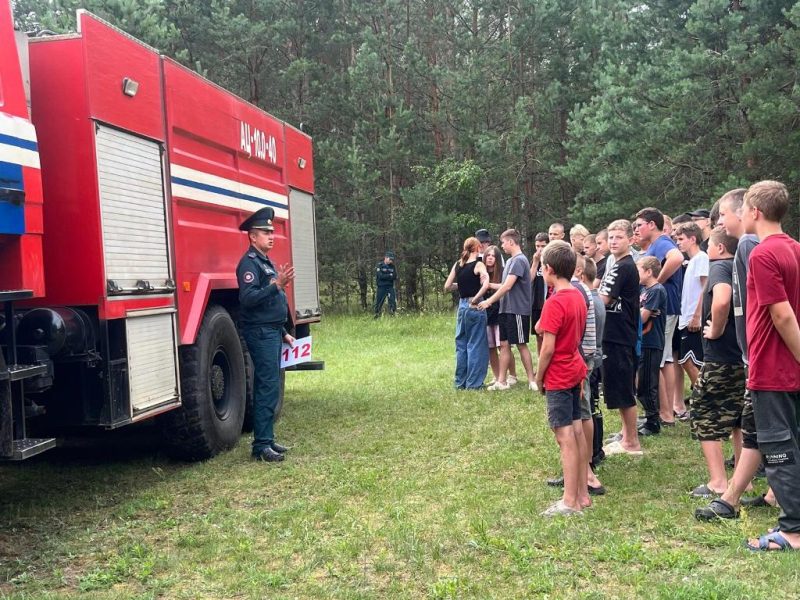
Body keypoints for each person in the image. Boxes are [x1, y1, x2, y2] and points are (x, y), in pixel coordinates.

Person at [696, 189, 778, 521]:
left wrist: (717, 331)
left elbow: (778, 312)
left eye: (724, 216)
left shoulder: (749, 247)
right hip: (754, 358)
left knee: (764, 427)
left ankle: (728, 495)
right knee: (756, 426)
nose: (720, 222)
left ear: (749, 212)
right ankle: (748, 495)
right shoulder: (759, 249)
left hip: (763, 359)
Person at [739, 181, 800, 552]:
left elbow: (782, 315)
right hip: (787, 368)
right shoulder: (795, 248)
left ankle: (792, 531)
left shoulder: (763, 255)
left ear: (756, 212)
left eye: (744, 208)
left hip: (775, 368)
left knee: (779, 450)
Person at [688, 229, 745, 498]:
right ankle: (740, 479)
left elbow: (721, 299)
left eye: (709, 244)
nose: (706, 248)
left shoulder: (720, 266)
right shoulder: (741, 264)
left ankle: (718, 482)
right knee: (738, 417)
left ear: (720, 247)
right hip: (741, 355)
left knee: (704, 412)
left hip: (721, 356)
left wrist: (716, 330)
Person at [236, 207, 296, 463]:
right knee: (266, 386)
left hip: (271, 332)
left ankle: (267, 439)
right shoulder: (249, 264)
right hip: (260, 334)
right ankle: (261, 446)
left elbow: (269, 307)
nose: (271, 236)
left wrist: (283, 332)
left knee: (270, 387)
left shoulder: (265, 261)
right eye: (265, 232)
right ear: (252, 236)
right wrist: (277, 286)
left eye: (272, 232)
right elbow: (248, 299)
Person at [534, 241, 589, 516]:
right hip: (576, 370)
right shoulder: (578, 295)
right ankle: (582, 493)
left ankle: (569, 501)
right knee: (576, 431)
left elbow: (548, 347)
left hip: (559, 372)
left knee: (564, 436)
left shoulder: (555, 302)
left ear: (549, 269)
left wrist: (538, 376)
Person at [634, 207, 684, 427]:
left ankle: (665, 414)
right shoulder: (653, 245)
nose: (636, 229)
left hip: (665, 307)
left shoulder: (662, 241)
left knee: (661, 360)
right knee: (664, 359)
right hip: (664, 306)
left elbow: (677, 257)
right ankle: (665, 410)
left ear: (652, 225)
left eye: (639, 225)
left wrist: (657, 282)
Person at [599, 220, 642, 456]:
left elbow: (604, 299)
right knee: (616, 386)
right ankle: (626, 436)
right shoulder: (613, 263)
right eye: (611, 237)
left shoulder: (624, 266)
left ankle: (632, 442)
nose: (614, 242)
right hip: (613, 332)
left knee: (623, 389)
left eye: (619, 237)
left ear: (630, 240)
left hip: (620, 333)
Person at [477, 229, 537, 390]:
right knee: (504, 344)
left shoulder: (519, 260)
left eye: (503, 242)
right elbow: (503, 285)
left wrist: (489, 301)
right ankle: (501, 381)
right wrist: (488, 285)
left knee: (521, 344)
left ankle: (532, 380)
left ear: (511, 242)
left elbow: (508, 286)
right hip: (505, 309)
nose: (502, 246)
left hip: (517, 310)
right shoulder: (510, 261)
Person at [445, 237, 490, 389]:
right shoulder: (478, 264)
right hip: (474, 307)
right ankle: (474, 384)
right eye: (480, 246)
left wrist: (462, 285)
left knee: (462, 345)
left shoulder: (458, 264)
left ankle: (460, 382)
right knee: (476, 345)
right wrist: (476, 299)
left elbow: (447, 286)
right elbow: (486, 284)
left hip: (462, 307)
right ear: (477, 248)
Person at [675, 222, 709, 396]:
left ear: (692, 239)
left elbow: (705, 287)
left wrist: (697, 316)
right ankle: (702, 397)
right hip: (685, 317)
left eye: (681, 239)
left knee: (691, 360)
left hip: (694, 318)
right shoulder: (691, 261)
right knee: (685, 360)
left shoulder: (701, 258)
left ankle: (704, 398)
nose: (678, 243)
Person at [636, 256, 667, 436]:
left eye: (639, 270)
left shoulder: (656, 290)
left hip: (652, 342)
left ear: (649, 272)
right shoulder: (644, 289)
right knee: (642, 383)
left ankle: (653, 421)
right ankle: (649, 415)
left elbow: (642, 317)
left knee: (648, 383)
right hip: (643, 342)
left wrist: (638, 313)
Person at [483, 245, 505, 385]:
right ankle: (496, 377)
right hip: (485, 314)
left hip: (500, 312)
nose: (490, 258)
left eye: (493, 256)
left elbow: (505, 286)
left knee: (502, 346)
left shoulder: (502, 272)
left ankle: (507, 376)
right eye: (488, 255)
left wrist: (489, 284)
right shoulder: (480, 272)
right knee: (490, 347)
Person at [529, 232, 550, 352]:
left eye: (543, 246)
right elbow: (529, 279)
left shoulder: (552, 260)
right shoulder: (535, 261)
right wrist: (535, 262)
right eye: (537, 246)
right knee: (538, 336)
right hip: (536, 304)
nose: (540, 249)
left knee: (549, 335)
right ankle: (540, 361)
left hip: (549, 302)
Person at [374, 251, 397, 318]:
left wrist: (386, 276)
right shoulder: (380, 265)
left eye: (392, 260)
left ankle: (392, 315)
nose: (391, 261)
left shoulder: (392, 266)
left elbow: (394, 276)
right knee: (379, 302)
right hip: (381, 287)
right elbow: (380, 276)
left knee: (392, 301)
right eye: (390, 259)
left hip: (390, 287)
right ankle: (377, 315)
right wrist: (389, 275)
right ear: (386, 258)